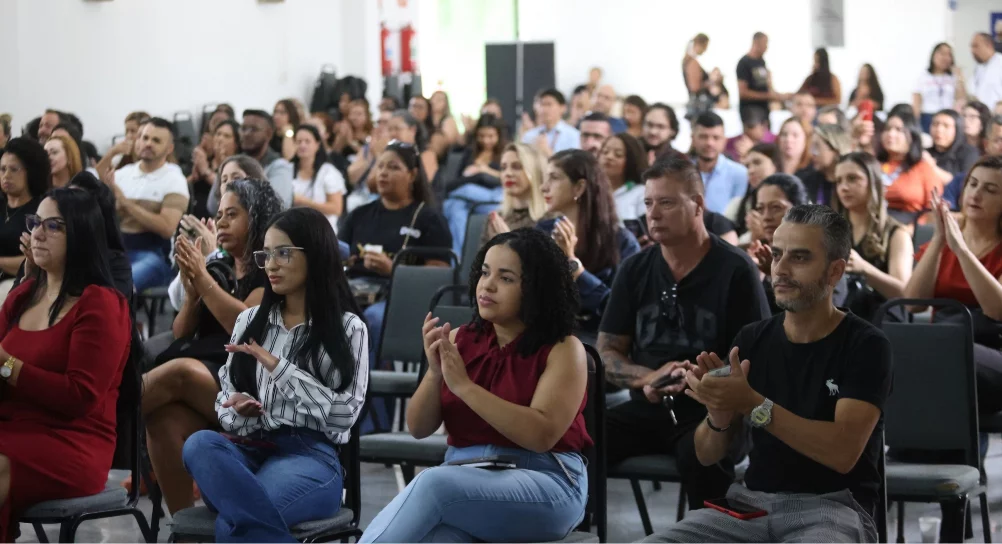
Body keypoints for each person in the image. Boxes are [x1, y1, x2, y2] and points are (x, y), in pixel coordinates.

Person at [643, 204, 892, 544]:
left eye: (800, 258)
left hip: (834, 509)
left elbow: (842, 453)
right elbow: (707, 454)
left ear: (836, 272)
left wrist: (754, 404)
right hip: (750, 505)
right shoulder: (752, 339)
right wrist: (719, 415)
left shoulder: (866, 344)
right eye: (777, 255)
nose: (781, 269)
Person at [360, 228, 591, 543]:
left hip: (546, 481)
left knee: (434, 485)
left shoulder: (565, 349)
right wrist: (435, 373)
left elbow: (541, 436)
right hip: (466, 476)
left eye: (506, 278)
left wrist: (466, 388)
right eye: (485, 273)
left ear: (536, 289)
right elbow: (417, 427)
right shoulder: (459, 339)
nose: (488, 285)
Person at [181, 207, 367, 542]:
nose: (271, 264)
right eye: (266, 254)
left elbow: (344, 416)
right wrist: (237, 409)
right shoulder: (249, 321)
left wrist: (279, 368)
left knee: (234, 523)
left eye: (283, 253)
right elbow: (224, 401)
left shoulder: (349, 328)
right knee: (199, 444)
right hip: (248, 449)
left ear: (317, 254)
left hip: (310, 456)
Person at [598, 155, 770, 509]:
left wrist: (700, 380)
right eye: (648, 203)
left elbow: (757, 355)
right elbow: (607, 352)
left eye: (667, 202)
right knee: (583, 440)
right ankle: (580, 531)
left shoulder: (735, 269)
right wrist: (649, 377)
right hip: (649, 406)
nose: (653, 213)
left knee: (703, 460)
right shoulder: (634, 269)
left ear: (698, 205)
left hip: (711, 410)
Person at [0, 188, 138, 542]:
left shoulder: (101, 303)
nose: (38, 234)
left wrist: (8, 367)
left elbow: (80, 396)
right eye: (35, 223)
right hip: (13, 427)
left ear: (80, 234)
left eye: (53, 226)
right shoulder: (24, 294)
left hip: (72, 442)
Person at [142, 179, 283, 515]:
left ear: (257, 219)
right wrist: (193, 290)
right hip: (209, 381)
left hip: (249, 387)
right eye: (219, 215)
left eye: (231, 214)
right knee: (163, 420)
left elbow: (245, 328)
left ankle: (99, 413)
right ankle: (185, 532)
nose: (220, 222)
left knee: (179, 372)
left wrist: (203, 280)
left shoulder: (272, 270)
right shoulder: (219, 268)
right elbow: (180, 331)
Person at [339, 142, 451, 431]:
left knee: (373, 321)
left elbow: (441, 270)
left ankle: (373, 424)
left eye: (394, 167)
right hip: (356, 290)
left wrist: (395, 270)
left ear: (413, 174)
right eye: (380, 166)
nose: (384, 173)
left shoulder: (427, 217)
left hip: (401, 299)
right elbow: (339, 253)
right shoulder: (360, 215)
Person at [906, 155, 1002, 415]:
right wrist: (939, 240)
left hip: (992, 350)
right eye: (972, 184)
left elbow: (997, 310)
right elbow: (914, 304)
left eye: (990, 190)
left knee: (947, 352)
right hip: (941, 343)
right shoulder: (944, 234)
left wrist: (960, 249)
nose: (976, 194)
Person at [536, 150, 640, 341]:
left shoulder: (622, 242)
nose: (543, 187)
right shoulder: (542, 233)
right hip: (546, 337)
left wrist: (572, 265)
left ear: (579, 187)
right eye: (544, 179)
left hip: (597, 342)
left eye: (554, 178)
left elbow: (620, 311)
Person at [109, 118, 190, 293]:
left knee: (118, 288)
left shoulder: (175, 180)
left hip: (154, 256)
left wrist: (125, 203)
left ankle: (126, 319)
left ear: (169, 148)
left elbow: (167, 228)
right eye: (145, 138)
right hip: (116, 252)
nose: (148, 143)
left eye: (156, 140)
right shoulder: (123, 174)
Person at [833, 152, 913, 322]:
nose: (844, 187)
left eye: (853, 179)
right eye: (839, 181)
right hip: (842, 316)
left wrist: (865, 269)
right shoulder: (832, 230)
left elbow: (905, 293)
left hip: (884, 320)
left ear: (873, 182)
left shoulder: (897, 233)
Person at [745, 174, 814, 314]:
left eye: (776, 207)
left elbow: (815, 315)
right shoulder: (757, 254)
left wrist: (774, 273)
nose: (766, 217)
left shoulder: (821, 255)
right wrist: (752, 274)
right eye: (760, 209)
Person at [442, 114, 508, 254]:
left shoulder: (505, 153)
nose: (485, 140)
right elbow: (457, 181)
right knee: (456, 208)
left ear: (498, 135)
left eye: (491, 136)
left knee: (460, 195)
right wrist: (478, 176)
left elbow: (504, 180)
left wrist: (482, 172)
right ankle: (459, 259)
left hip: (494, 198)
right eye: (481, 136)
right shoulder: (470, 153)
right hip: (469, 199)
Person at [0, 139, 48, 302]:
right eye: (2, 169)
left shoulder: (42, 209)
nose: (6, 176)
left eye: (14, 169)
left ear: (31, 171)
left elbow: (40, 258)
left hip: (21, 282)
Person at [876, 111, 942, 225]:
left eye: (898, 130)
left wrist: (915, 230)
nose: (891, 134)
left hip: (911, 229)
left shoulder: (922, 168)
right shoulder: (874, 164)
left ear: (912, 135)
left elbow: (933, 209)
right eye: (887, 129)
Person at [480, 143, 547, 246]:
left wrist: (507, 241)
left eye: (516, 167)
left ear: (534, 172)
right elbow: (481, 261)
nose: (508, 173)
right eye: (503, 168)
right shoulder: (496, 219)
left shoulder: (549, 220)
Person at [692, 112, 749, 214]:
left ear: (724, 140)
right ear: (693, 139)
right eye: (703, 137)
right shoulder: (681, 172)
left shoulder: (740, 174)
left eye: (716, 137)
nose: (709, 143)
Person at [291, 125, 346, 231]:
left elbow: (336, 208)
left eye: (307, 141)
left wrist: (304, 202)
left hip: (322, 231)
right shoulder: (288, 169)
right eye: (299, 141)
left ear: (317, 145)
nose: (302, 145)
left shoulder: (328, 172)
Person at [240, 110, 295, 209]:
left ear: (269, 134)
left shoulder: (279, 166)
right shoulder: (235, 162)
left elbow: (275, 205)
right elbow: (213, 205)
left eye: (254, 129)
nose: (246, 134)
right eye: (243, 128)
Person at [189, 120, 241, 219]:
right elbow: (187, 184)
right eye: (218, 134)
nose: (220, 139)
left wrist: (205, 171)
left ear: (236, 144)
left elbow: (228, 188)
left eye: (226, 136)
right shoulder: (205, 161)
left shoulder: (237, 166)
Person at [730, 143, 781, 239]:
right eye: (748, 166)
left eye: (757, 163)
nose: (751, 170)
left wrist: (765, 234)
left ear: (775, 165)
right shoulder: (737, 205)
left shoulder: (796, 201)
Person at [914, 43, 967, 133]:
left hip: (949, 117)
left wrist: (959, 77)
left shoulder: (953, 77)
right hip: (928, 117)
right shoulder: (923, 76)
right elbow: (917, 102)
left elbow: (961, 99)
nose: (945, 58)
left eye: (949, 54)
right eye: (942, 53)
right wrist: (915, 123)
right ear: (934, 55)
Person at [736, 32, 787, 121]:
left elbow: (766, 86)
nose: (767, 47)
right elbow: (743, 93)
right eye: (765, 43)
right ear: (757, 42)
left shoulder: (761, 61)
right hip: (751, 112)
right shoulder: (744, 63)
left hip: (764, 110)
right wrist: (768, 96)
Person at [800, 123, 853, 206]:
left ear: (835, 150)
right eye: (812, 147)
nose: (812, 153)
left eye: (817, 147)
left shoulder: (851, 184)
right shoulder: (806, 181)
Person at [601, 133, 649, 221]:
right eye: (605, 152)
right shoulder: (591, 189)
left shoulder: (641, 194)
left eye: (618, 154)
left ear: (632, 160)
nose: (609, 157)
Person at [206, 155, 269, 220]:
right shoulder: (215, 226)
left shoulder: (270, 225)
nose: (228, 183)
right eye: (224, 180)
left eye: (236, 178)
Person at [927, 109, 980, 185]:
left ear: (957, 129)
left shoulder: (969, 153)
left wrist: (932, 167)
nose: (939, 130)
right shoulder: (926, 153)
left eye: (946, 126)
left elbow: (963, 184)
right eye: (935, 124)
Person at [521, 89, 580, 156]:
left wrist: (547, 152)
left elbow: (573, 163)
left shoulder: (574, 135)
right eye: (541, 104)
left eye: (549, 104)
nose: (544, 109)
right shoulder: (529, 135)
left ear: (563, 108)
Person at [97, 111, 151, 180]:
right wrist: (112, 153)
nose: (128, 136)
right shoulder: (120, 157)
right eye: (127, 131)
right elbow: (97, 177)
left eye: (133, 131)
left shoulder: (152, 158)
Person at [972, 32, 1002, 110]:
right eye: (971, 47)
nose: (972, 50)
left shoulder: (1000, 62)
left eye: (976, 46)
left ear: (988, 45)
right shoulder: (978, 67)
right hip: (982, 115)